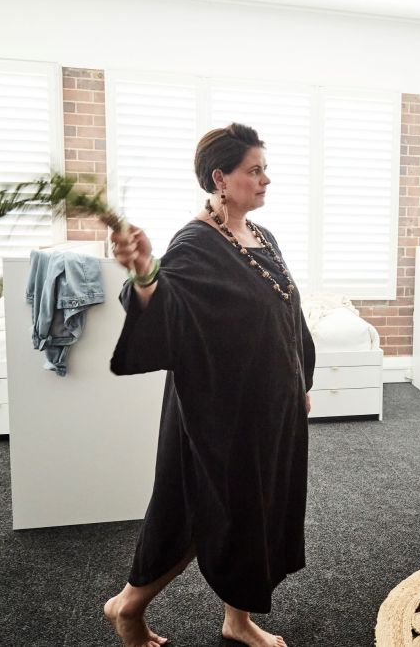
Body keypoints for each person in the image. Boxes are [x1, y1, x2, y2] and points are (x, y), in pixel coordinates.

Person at [103, 123, 315, 647]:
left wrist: (299, 380)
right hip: (217, 411)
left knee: (255, 511)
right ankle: (127, 606)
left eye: (265, 168)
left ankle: (236, 620)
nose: (266, 179)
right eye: (254, 170)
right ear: (221, 178)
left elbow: (287, 315)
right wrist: (145, 274)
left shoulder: (262, 235)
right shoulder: (196, 242)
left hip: (269, 405)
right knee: (194, 512)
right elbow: (163, 306)